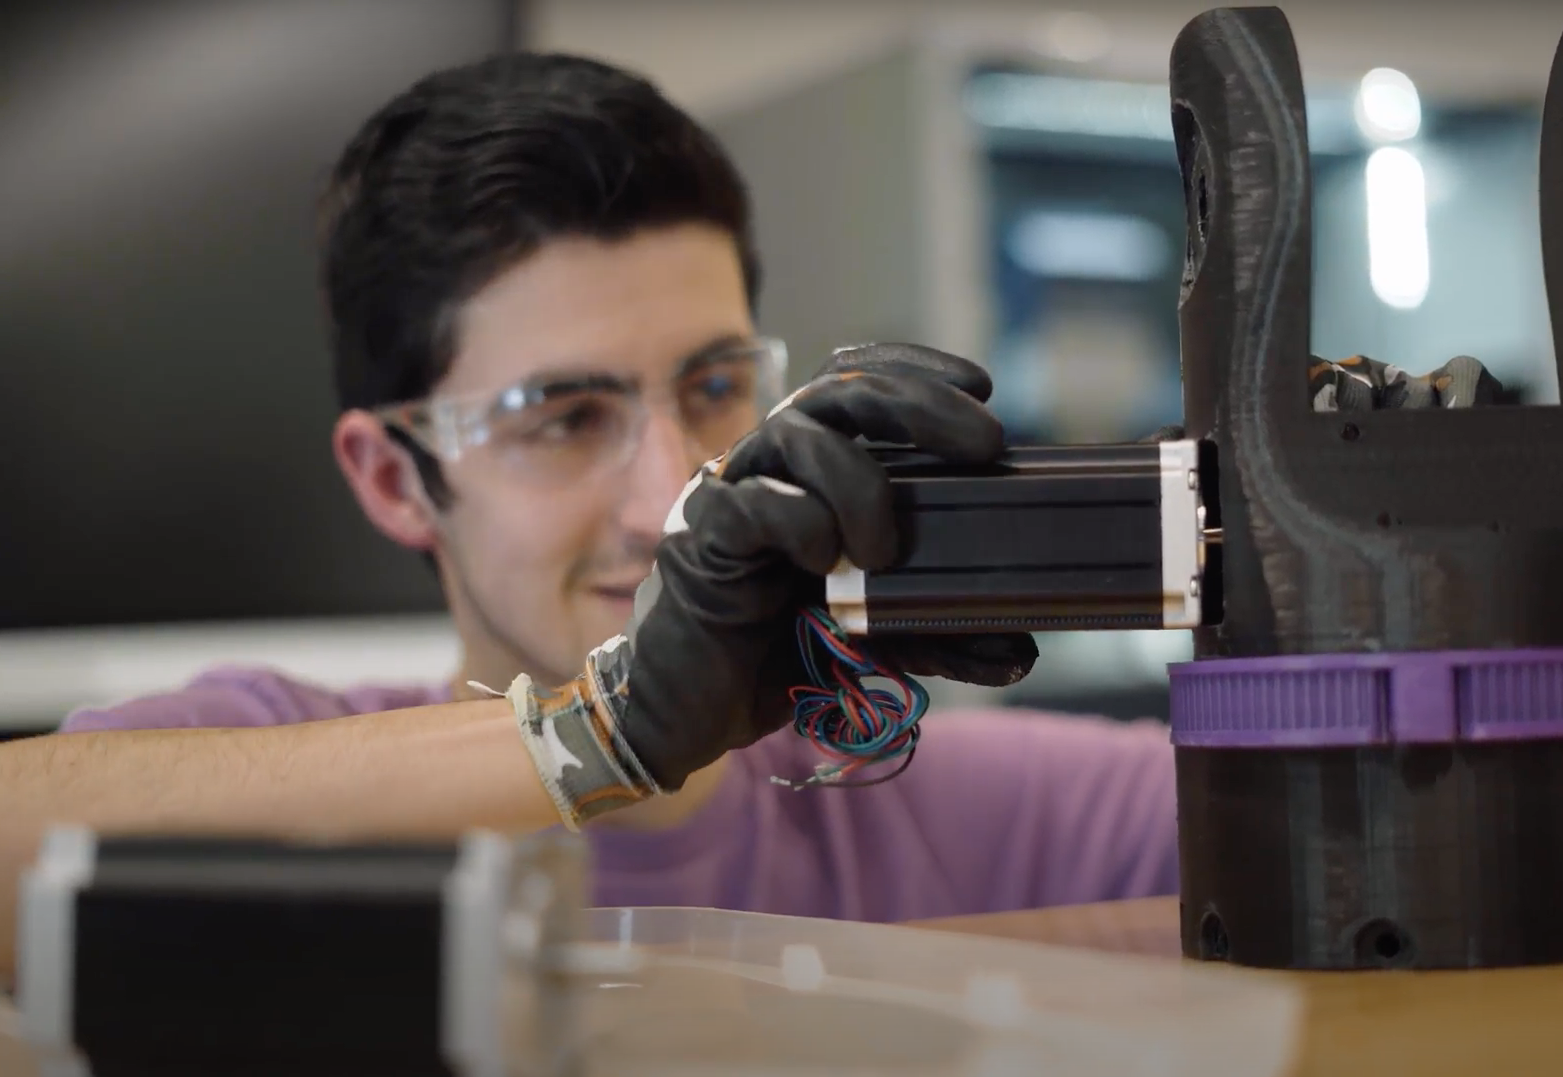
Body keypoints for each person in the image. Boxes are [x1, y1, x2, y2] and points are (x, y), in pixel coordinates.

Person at [50, 53, 1182, 923]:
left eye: (715, 384)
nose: (670, 500)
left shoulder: (969, 813)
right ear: (396, 479)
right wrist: (596, 739)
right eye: (564, 419)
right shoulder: (256, 758)